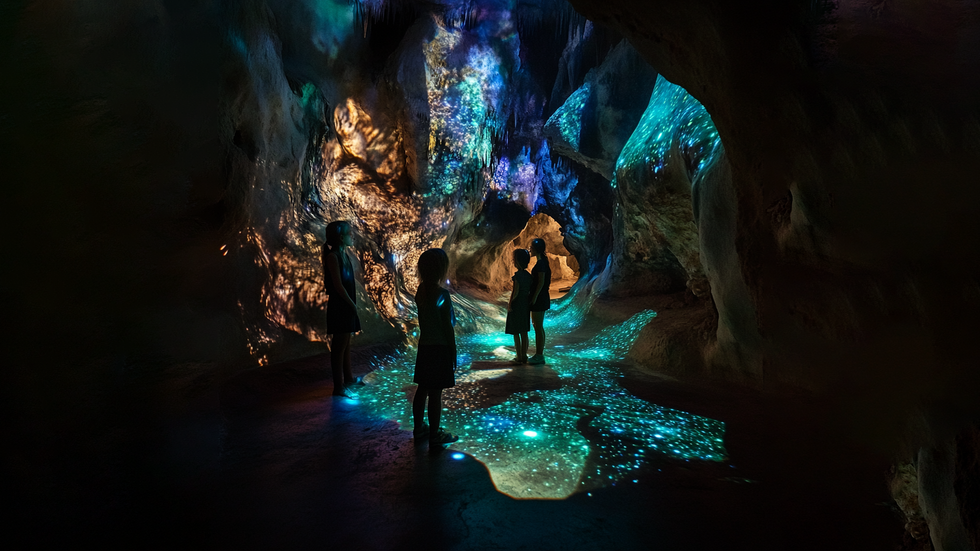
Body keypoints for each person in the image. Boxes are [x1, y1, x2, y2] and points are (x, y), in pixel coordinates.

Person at [412, 248, 459, 445]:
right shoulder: (442, 294)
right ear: (441, 270)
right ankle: (434, 435)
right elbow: (448, 326)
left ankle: (419, 429)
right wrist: (453, 350)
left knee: (422, 389)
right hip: (439, 349)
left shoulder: (420, 291)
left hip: (424, 348)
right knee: (436, 393)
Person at [323, 221, 362, 398]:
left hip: (346, 304)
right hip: (340, 306)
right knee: (339, 346)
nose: (352, 236)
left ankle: (349, 379)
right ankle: (338, 387)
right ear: (341, 237)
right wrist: (351, 304)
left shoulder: (344, 255)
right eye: (349, 233)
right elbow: (338, 286)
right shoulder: (333, 257)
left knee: (346, 343)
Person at [505, 248, 532, 364]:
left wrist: (510, 304)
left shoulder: (517, 276)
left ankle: (519, 356)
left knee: (516, 331)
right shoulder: (528, 276)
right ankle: (524, 355)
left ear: (517, 261)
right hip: (525, 304)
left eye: (514, 259)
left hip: (517, 305)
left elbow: (515, 292)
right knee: (524, 331)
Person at [527, 238, 551, 365]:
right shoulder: (542, 262)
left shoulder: (541, 264)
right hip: (541, 297)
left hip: (540, 298)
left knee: (538, 326)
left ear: (536, 249)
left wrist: (534, 297)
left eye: (531, 247)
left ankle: (539, 355)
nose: (530, 249)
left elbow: (541, 282)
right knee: (538, 326)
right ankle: (539, 354)